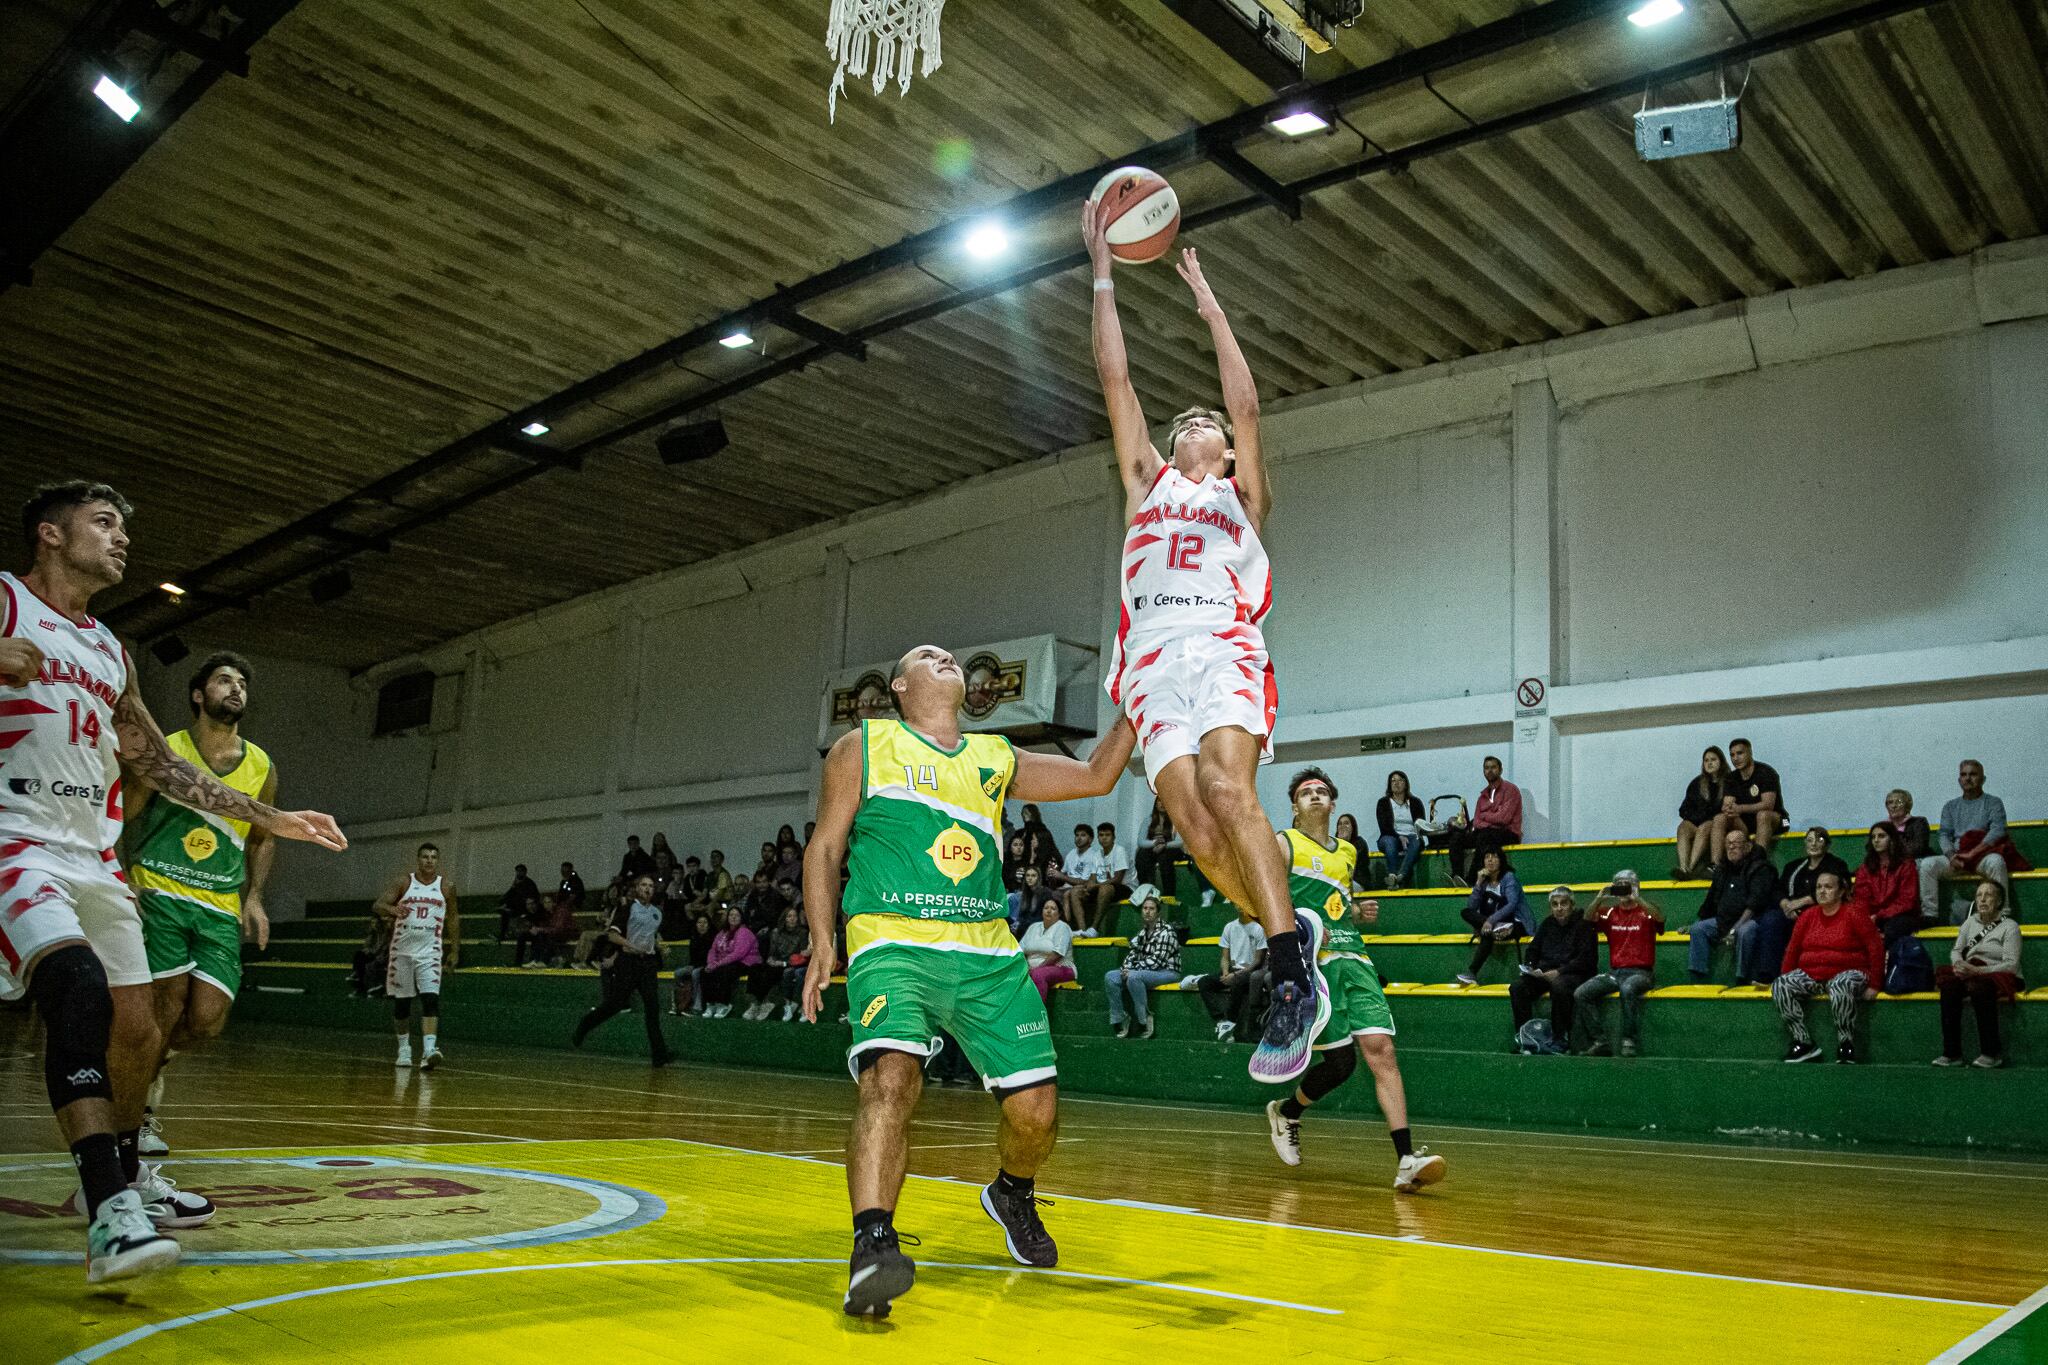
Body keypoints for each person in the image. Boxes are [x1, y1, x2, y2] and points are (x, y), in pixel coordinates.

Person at [2, 482, 347, 1281]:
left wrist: (277, 817)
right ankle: (110, 1209)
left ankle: (126, 1177)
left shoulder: (110, 650)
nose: (122, 536)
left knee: (137, 1029)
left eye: (125, 523)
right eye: (105, 522)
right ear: (50, 533)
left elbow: (159, 762)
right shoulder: (7, 602)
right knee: (79, 991)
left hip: (93, 857)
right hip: (17, 840)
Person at [800, 643, 1135, 1317]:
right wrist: (821, 938)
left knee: (1035, 1115)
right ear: (899, 686)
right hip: (893, 940)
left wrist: (1142, 699)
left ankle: (1013, 1190)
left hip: (986, 950)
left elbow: (1099, 775)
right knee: (891, 1077)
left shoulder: (995, 755)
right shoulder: (863, 746)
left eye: (949, 654)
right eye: (927, 655)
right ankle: (873, 1247)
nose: (944, 656)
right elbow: (826, 846)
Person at [1086, 210, 1322, 1085]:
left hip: (1222, 642)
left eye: (1206, 424)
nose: (1195, 422)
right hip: (1150, 662)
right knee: (1190, 822)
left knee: (1229, 789)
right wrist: (1102, 271)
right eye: (1183, 421)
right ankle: (1285, 930)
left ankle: (1291, 970)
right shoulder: (1147, 484)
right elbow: (1115, 382)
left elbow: (1248, 402)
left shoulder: (1240, 498)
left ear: (1224, 454)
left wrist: (1209, 305)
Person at [1262, 769, 1446, 1193]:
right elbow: (1263, 898)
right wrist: (1300, 926)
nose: (1313, 796)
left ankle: (1406, 1162)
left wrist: (1355, 912)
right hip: (1315, 963)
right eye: (1305, 792)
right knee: (1342, 1064)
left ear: (1332, 805)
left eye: (1321, 792)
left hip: (1356, 957)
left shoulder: (1346, 850)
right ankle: (1287, 1112)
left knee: (1382, 1051)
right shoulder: (1283, 844)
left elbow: (1336, 900)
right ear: (1294, 806)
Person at [127, 651, 277, 1159]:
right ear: (198, 694)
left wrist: (254, 897)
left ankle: (147, 1064)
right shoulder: (166, 749)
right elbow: (129, 812)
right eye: (222, 680)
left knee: (207, 1021)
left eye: (241, 682)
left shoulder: (261, 765)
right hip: (161, 891)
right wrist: (115, 871)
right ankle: (139, 1116)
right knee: (163, 1009)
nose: (235, 688)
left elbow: (263, 837)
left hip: (219, 905)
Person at [1773, 870, 1882, 1063]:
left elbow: (1875, 947)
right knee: (1780, 984)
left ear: (1841, 892)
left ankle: (1846, 1044)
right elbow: (1792, 950)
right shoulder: (1807, 916)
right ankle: (1804, 1043)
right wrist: (1786, 977)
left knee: (1840, 984)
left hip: (1850, 972)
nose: (1822, 891)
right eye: (1819, 887)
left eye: (1828, 887)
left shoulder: (1854, 913)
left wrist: (1875, 983)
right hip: (1813, 975)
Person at [373, 842, 459, 1070]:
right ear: (418, 860)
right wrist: (392, 910)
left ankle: (429, 1050)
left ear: (438, 861)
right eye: (425, 856)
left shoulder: (446, 886)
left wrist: (455, 950)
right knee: (402, 1004)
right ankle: (404, 1049)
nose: (429, 860)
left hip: (430, 952)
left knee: (431, 999)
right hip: (402, 951)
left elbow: (453, 918)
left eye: (433, 857)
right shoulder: (404, 882)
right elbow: (378, 905)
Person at [570, 874, 673, 1065]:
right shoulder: (627, 909)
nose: (648, 888)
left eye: (651, 885)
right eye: (644, 885)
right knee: (615, 1004)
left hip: (647, 964)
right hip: (628, 963)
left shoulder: (657, 913)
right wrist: (631, 946)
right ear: (637, 888)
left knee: (652, 1007)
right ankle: (585, 1025)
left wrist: (659, 947)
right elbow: (612, 935)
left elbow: (648, 936)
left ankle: (659, 1055)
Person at [1934, 881, 2022, 1069]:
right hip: (1971, 970)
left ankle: (1991, 1053)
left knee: (1979, 988)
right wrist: (1958, 964)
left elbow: (2011, 965)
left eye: (1988, 895)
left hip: (1996, 972)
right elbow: (1956, 950)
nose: (1982, 899)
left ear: (1998, 902)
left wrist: (1979, 971)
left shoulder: (2010, 927)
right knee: (1949, 988)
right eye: (1979, 895)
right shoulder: (1970, 922)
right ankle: (1952, 1054)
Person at [1574, 871, 1663, 1056]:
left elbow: (1659, 918)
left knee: (1628, 988)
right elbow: (1587, 918)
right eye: (1619, 884)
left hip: (1642, 972)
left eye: (1627, 884)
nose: (1623, 887)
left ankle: (1629, 1039)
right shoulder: (1610, 913)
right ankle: (1600, 1041)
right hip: (1615, 972)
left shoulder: (1646, 911)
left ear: (1636, 886)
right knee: (1581, 993)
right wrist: (1599, 898)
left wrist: (1638, 899)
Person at [1921, 760, 2019, 922]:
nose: (1967, 778)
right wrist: (1952, 856)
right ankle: (1930, 915)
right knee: (1927, 865)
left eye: (1973, 774)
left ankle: (2002, 914)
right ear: (1959, 780)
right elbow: (1944, 834)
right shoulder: (1950, 806)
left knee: (1996, 862)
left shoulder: (1993, 803)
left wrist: (1973, 853)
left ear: (1983, 779)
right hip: (1958, 858)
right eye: (1963, 774)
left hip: (1982, 856)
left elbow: (1997, 831)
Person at [1509, 888, 1597, 1053]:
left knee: (1560, 986)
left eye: (1563, 903)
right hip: (1545, 972)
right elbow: (1533, 949)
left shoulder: (1584, 925)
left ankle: (1560, 1038)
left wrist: (1560, 972)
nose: (1559, 908)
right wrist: (1530, 966)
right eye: (1555, 904)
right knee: (1517, 987)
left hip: (1574, 973)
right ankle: (1525, 1036)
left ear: (1572, 905)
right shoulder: (1548, 923)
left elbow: (1586, 960)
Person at [1757, 827, 1849, 985]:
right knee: (1771, 920)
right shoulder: (1793, 866)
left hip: (1818, 911)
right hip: (1789, 911)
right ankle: (1769, 975)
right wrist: (1786, 904)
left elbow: (1840, 888)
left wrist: (1803, 902)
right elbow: (1778, 890)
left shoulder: (1836, 865)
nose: (1814, 844)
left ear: (1827, 845)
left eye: (1819, 840)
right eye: (1810, 840)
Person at [1687, 828, 1777, 982]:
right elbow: (1710, 901)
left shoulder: (1761, 868)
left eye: (1736, 843)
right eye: (1728, 843)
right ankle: (1698, 975)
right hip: (1723, 920)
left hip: (1752, 919)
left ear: (1748, 847)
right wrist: (1697, 921)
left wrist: (1735, 929)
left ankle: (1742, 977)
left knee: (1744, 931)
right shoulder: (1722, 870)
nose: (1731, 847)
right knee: (1698, 929)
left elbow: (1754, 904)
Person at [1103, 895, 1181, 1039]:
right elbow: (1131, 955)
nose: (1147, 911)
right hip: (1144, 971)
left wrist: (1132, 971)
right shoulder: (1142, 933)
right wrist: (1125, 969)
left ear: (1158, 912)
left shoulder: (1167, 931)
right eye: (1145, 908)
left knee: (1134, 977)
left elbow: (1158, 960)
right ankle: (1121, 1017)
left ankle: (1145, 1018)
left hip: (1167, 972)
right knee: (1110, 977)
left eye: (1151, 909)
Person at [1454, 849, 1530, 985]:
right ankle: (1494, 928)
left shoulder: (1509, 878)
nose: (1490, 860)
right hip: (1497, 924)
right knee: (1465, 912)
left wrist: (1490, 921)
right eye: (1487, 857)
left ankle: (1472, 973)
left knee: (1487, 932)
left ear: (1501, 860)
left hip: (1517, 923)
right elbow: (1471, 907)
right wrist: (1478, 883)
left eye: (1494, 857)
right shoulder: (1484, 881)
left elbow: (1512, 904)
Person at [1447, 756, 1522, 888]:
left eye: (1493, 767)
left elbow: (1504, 819)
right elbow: (1476, 822)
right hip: (1487, 832)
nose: (1490, 771)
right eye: (1486, 768)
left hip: (1509, 833)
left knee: (1485, 835)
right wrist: (1491, 818)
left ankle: (1471, 880)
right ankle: (1457, 877)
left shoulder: (1511, 790)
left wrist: (1485, 815)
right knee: (1456, 837)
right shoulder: (1483, 795)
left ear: (1500, 770)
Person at [1197, 903, 1267, 1041]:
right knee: (1204, 982)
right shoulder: (1229, 927)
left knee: (1237, 982)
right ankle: (1221, 1019)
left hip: (1250, 972)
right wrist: (1224, 973)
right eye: (1237, 903)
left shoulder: (1258, 929)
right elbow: (1225, 957)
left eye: (1243, 903)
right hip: (1231, 971)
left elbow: (1258, 961)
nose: (1241, 906)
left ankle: (1230, 1021)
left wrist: (1235, 975)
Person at [1851, 823, 1923, 944]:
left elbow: (1907, 900)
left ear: (1892, 839)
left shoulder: (1906, 865)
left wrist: (1879, 915)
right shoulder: (1865, 868)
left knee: (1893, 929)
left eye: (1881, 836)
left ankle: (1888, 961)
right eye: (1873, 837)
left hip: (1902, 915)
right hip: (1874, 916)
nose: (1876, 840)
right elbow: (1861, 899)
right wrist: (1867, 917)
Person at [1715, 738, 1787, 853]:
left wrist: (1740, 808)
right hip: (1747, 823)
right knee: (1719, 818)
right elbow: (1729, 803)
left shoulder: (1766, 772)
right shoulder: (1731, 777)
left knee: (1763, 815)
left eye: (1740, 753)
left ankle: (1758, 860)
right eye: (1732, 755)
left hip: (1781, 821)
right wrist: (1727, 808)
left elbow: (1768, 805)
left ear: (1750, 753)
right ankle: (1715, 866)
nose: (1735, 758)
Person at [1673, 745, 1729, 880]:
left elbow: (1724, 810)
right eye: (1706, 760)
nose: (1709, 763)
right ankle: (1683, 867)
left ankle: (1690, 869)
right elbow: (1684, 809)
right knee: (1683, 827)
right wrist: (1698, 818)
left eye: (1713, 759)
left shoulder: (1729, 781)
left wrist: (1706, 818)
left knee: (1706, 825)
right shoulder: (1697, 783)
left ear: (1721, 761)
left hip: (1719, 825)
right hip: (1699, 823)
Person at [700, 905, 759, 1019]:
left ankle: (723, 1004)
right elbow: (713, 950)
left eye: (737, 915)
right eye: (731, 915)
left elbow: (738, 954)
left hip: (745, 962)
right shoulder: (722, 932)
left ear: (742, 918)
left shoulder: (744, 932)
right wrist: (711, 963)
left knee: (724, 971)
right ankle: (710, 1004)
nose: (733, 917)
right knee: (705, 972)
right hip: (725, 962)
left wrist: (717, 964)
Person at [751, 904, 808, 1021]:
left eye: (794, 916)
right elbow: (772, 952)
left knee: (779, 973)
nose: (792, 919)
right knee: (755, 969)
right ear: (784, 918)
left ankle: (769, 1003)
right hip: (777, 962)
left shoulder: (802, 933)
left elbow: (801, 955)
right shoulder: (776, 932)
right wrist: (771, 959)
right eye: (789, 916)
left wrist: (783, 963)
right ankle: (756, 1003)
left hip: (792, 963)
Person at [1077, 822, 1133, 937]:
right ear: (1097, 838)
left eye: (1107, 835)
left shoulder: (1119, 851)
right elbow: (1092, 878)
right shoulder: (1097, 854)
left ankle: (1094, 929)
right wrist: (1088, 887)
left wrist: (1095, 886)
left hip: (1127, 888)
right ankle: (1082, 929)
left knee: (1105, 889)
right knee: (1075, 892)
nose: (1104, 838)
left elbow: (1118, 879)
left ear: (1113, 837)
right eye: (1101, 835)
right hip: (1105, 887)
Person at [1017, 898, 1077, 1006]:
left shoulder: (1062, 927)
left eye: (1053, 908)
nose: (1049, 911)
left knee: (1038, 975)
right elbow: (1020, 951)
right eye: (1046, 908)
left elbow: (1057, 954)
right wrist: (1025, 967)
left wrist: (1037, 968)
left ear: (1059, 914)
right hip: (1031, 968)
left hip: (1061, 967)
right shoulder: (1033, 927)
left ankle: (1038, 1015)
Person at [1374, 771, 1427, 891]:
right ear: (1389, 784)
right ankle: (1392, 874)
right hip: (1390, 835)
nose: (1396, 783)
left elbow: (1421, 823)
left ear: (1406, 783)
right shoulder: (1383, 803)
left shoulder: (1415, 802)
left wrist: (1411, 836)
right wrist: (1399, 837)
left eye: (1400, 780)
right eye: (1393, 780)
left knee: (1417, 842)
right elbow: (1384, 826)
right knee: (1389, 842)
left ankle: (1400, 876)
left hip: (1412, 835)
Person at [1052, 823, 1104, 931]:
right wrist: (1052, 874)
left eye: (1083, 835)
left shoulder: (1093, 855)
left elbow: (1085, 882)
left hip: (1084, 889)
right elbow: (1062, 874)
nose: (1079, 838)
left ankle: (1068, 928)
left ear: (1090, 839)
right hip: (1067, 887)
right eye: (1077, 835)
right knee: (1049, 893)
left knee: (1065, 894)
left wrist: (1062, 877)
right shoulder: (1071, 853)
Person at [1135, 803, 1185, 904]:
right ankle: (1146, 891)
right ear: (1155, 804)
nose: (1162, 804)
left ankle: (1169, 895)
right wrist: (1154, 843)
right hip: (1153, 848)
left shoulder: (1176, 819)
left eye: (1164, 800)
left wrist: (1164, 845)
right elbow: (1140, 841)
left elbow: (1180, 842)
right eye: (1159, 801)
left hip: (1171, 848)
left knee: (1164, 856)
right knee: (1141, 854)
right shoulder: (1148, 820)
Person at [672, 910, 716, 1013]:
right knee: (678, 973)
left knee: (696, 974)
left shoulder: (713, 938)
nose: (702, 925)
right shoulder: (694, 937)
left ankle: (697, 1006)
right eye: (699, 923)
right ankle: (681, 1002)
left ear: (709, 925)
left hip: (707, 965)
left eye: (705, 923)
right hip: (695, 965)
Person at [1880, 788, 1933, 861]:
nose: (1894, 806)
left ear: (1908, 805)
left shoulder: (1919, 822)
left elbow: (1917, 850)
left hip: (1917, 861)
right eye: (1890, 802)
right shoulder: (1882, 827)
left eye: (1899, 802)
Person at [1009, 863, 1059, 938]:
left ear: (1038, 878)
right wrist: (1017, 923)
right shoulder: (1026, 893)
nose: (1030, 878)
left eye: (1033, 876)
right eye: (1028, 875)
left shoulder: (1045, 893)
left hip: (1040, 926)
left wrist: (1021, 924)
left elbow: (1043, 917)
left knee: (1022, 928)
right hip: (1026, 926)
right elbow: (1022, 914)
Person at [497, 863, 540, 941]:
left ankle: (505, 933)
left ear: (525, 872)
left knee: (508, 909)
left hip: (527, 908)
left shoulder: (529, 883)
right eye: (517, 871)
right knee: (505, 911)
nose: (519, 873)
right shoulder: (516, 883)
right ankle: (503, 934)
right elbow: (509, 895)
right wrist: (512, 888)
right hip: (517, 906)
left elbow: (529, 899)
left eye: (521, 871)